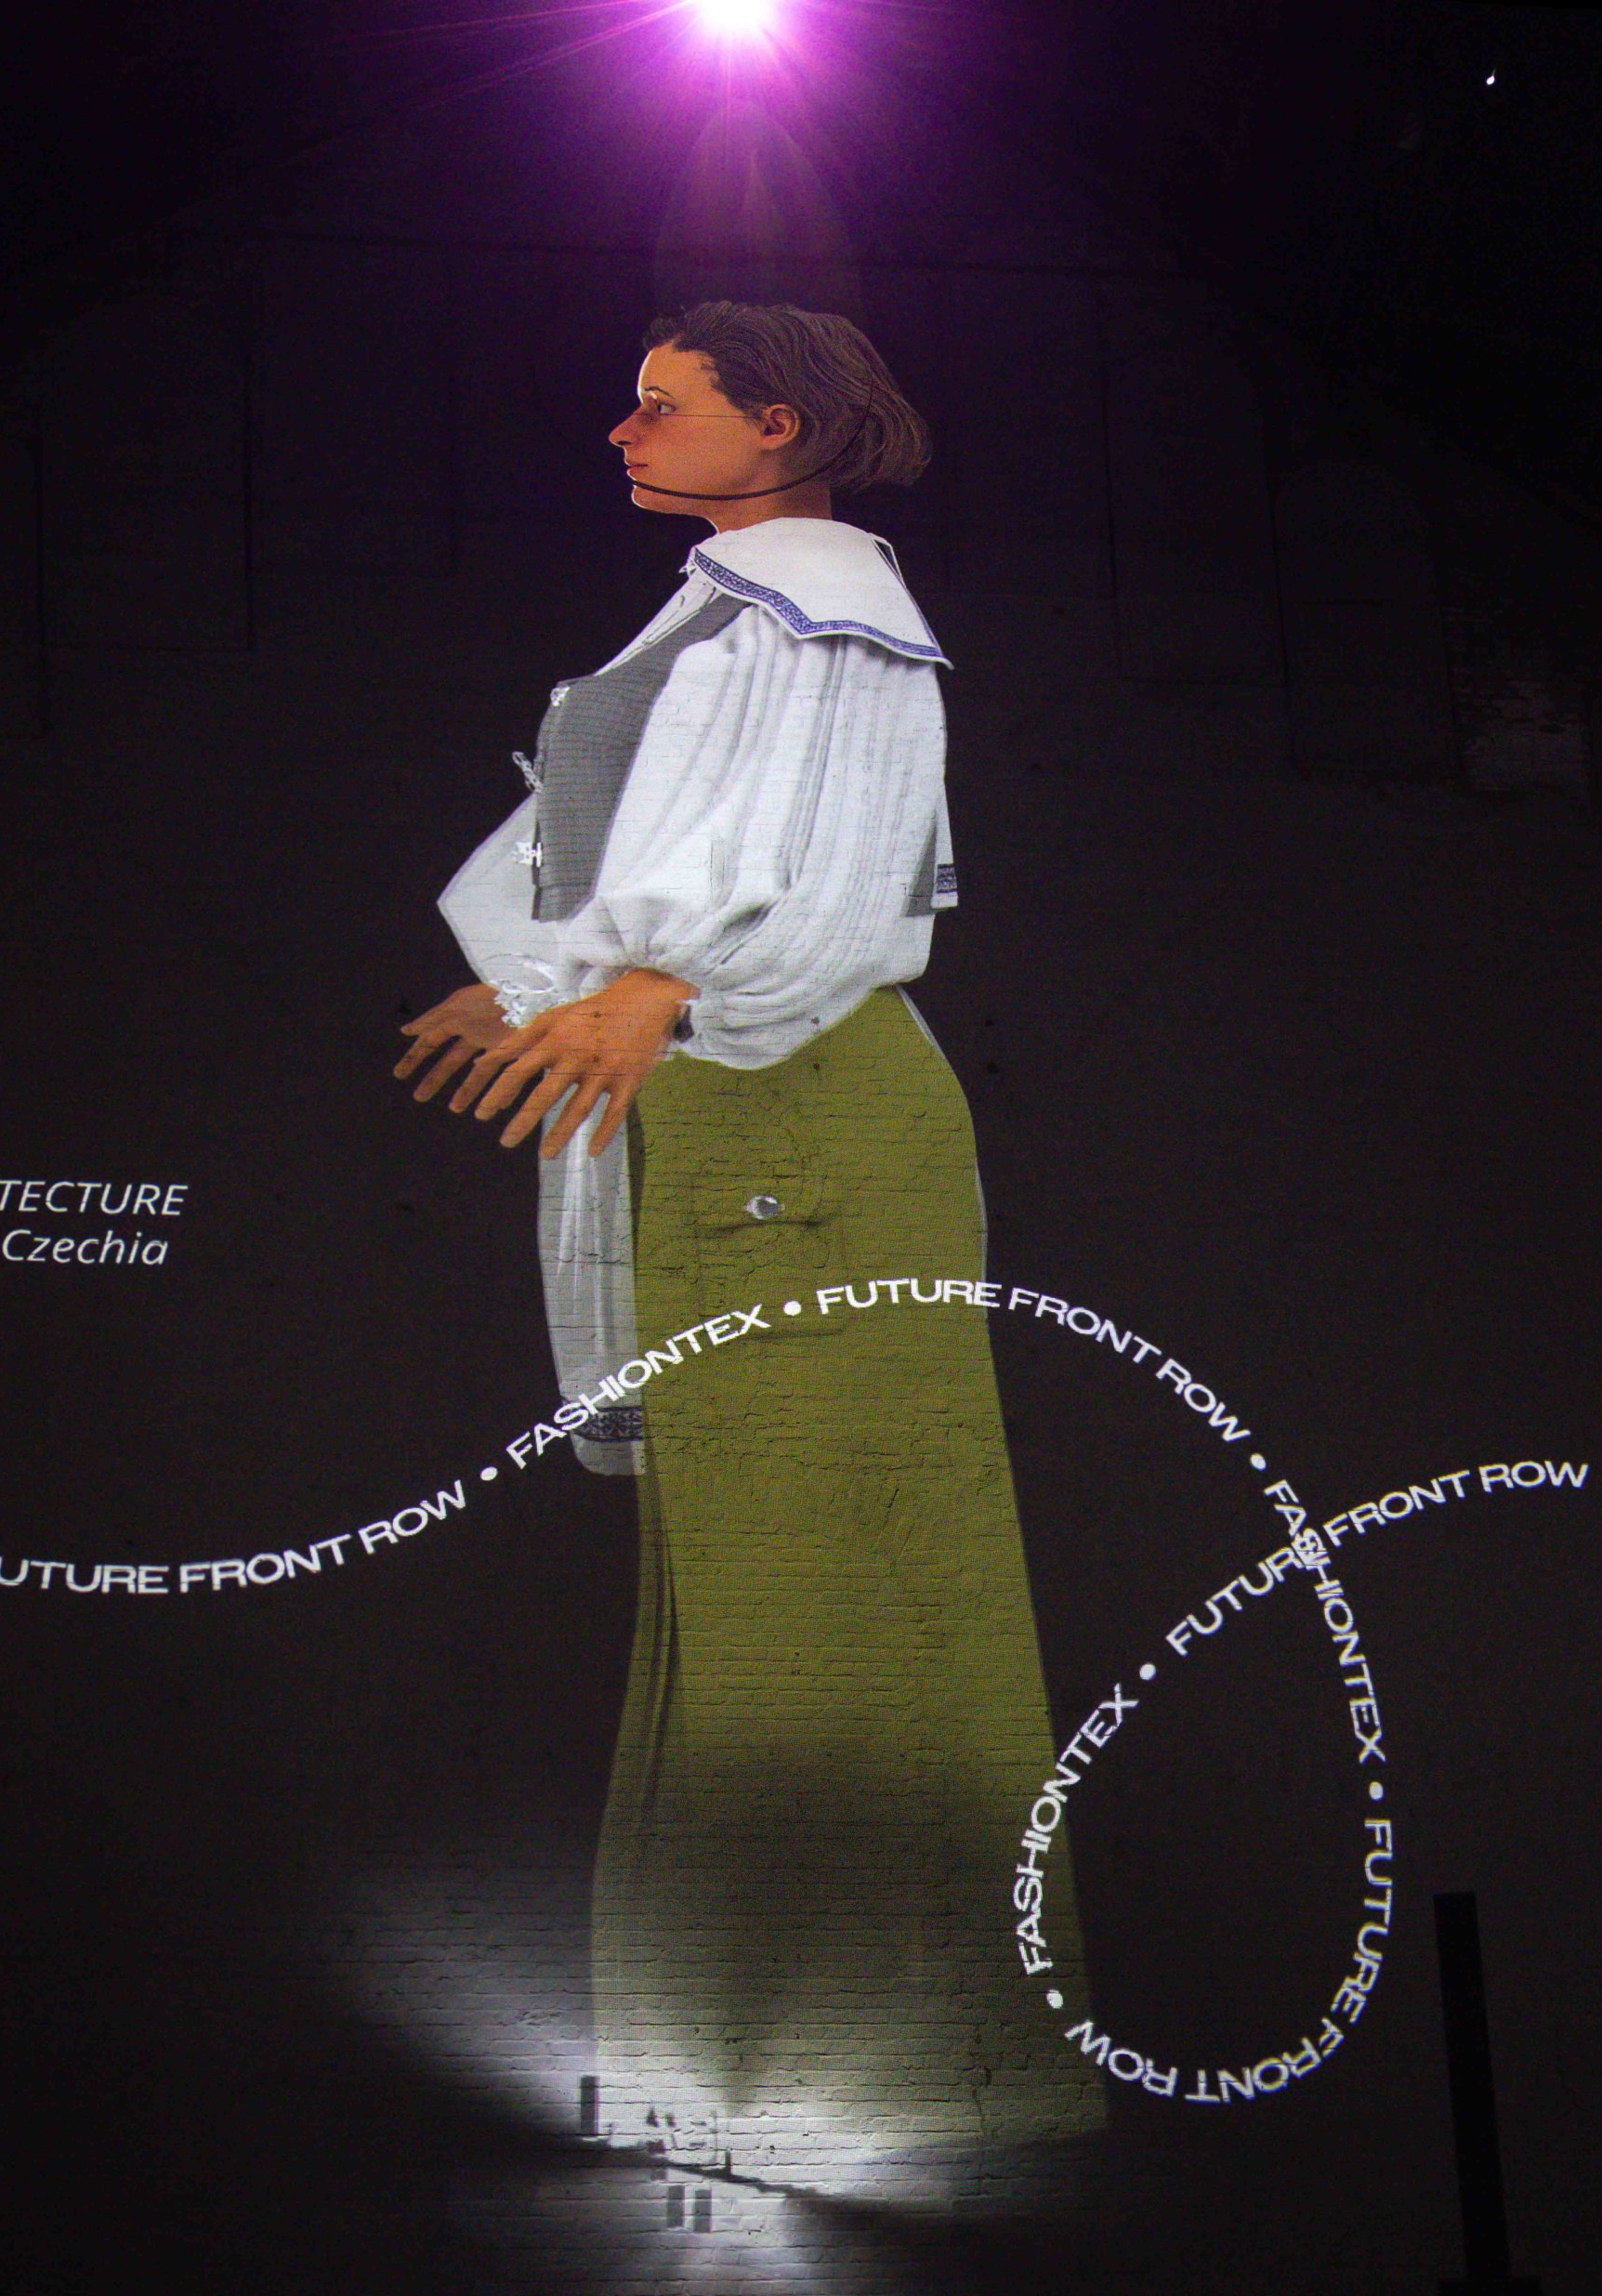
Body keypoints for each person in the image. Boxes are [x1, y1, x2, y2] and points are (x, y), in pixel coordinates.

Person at [395, 301, 1100, 2200]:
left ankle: (913, 2070)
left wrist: (658, 983)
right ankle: (738, 2067)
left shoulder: (827, 604)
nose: (624, 428)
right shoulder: (717, 610)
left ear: (779, 422)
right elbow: (610, 845)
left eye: (665, 401)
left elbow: (837, 856)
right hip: (722, 1100)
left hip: (800, 1110)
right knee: (739, 1605)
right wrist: (546, 983)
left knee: (842, 1595)